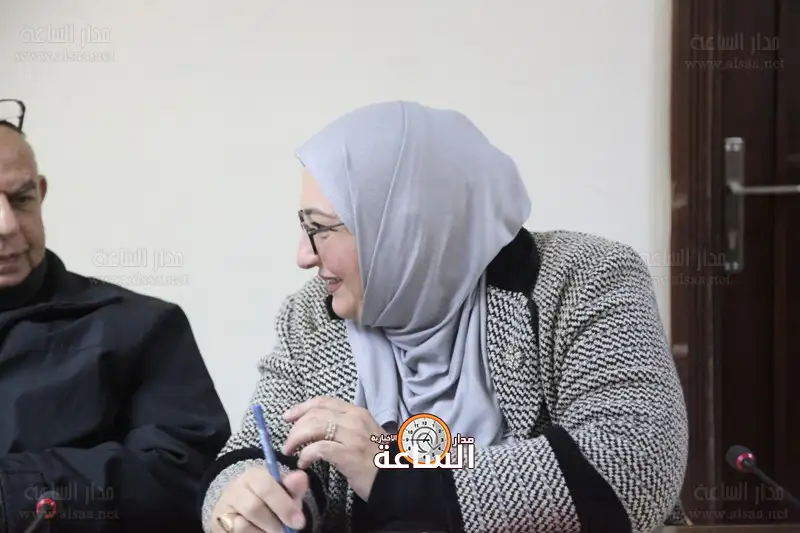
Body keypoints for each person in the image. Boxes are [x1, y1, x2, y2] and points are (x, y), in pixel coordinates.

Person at [199, 101, 689, 533]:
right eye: (304, 226)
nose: (304, 256)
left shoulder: (583, 278)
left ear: (403, 226)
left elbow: (634, 462)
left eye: (321, 229)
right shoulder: (314, 314)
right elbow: (253, 451)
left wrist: (393, 471)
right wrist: (250, 501)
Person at [0, 104, 231, 532]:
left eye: (21, 199)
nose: (8, 225)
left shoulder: (141, 327)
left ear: (42, 193)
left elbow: (187, 479)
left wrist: (13, 493)